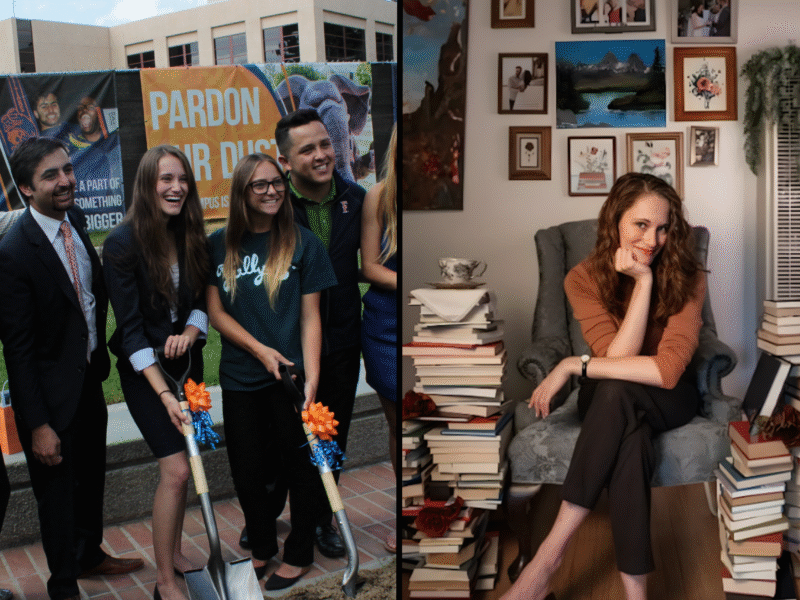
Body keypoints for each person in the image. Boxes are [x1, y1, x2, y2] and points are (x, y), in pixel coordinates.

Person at [500, 173, 706, 600]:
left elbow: (668, 372)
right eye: (641, 225)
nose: (654, 239)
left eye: (663, 227)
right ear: (615, 221)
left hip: (669, 394)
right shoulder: (583, 278)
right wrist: (640, 286)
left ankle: (546, 562)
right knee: (627, 429)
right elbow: (614, 363)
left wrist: (575, 363)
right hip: (611, 387)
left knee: (617, 395)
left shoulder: (689, 276)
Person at [0, 137, 144, 600]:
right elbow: (17, 351)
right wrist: (38, 425)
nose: (66, 181)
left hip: (88, 380)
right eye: (50, 176)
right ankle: (63, 584)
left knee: (90, 479)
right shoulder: (14, 252)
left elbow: (88, 294)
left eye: (67, 169)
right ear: (25, 188)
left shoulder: (75, 220)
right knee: (57, 498)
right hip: (48, 398)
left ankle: (89, 555)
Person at [206, 153, 336, 591]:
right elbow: (215, 313)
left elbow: (311, 317)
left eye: (277, 183)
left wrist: (312, 376)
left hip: (291, 379)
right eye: (259, 185)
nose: (272, 191)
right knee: (247, 470)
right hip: (241, 376)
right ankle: (261, 546)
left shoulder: (303, 244)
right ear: (242, 193)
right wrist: (261, 351)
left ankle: (299, 552)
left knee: (300, 468)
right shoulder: (219, 243)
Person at [102, 145, 209, 600]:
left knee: (191, 460)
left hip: (188, 365)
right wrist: (165, 396)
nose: (176, 187)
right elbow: (129, 331)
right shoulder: (122, 244)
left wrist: (190, 328)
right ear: (147, 185)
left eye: (182, 178)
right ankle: (165, 579)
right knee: (177, 471)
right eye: (166, 179)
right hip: (145, 372)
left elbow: (203, 300)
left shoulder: (191, 232)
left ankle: (177, 556)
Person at [271, 108, 367, 560]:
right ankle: (268, 517)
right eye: (307, 149)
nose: (321, 154)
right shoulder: (272, 207)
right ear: (285, 161)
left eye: (325, 144)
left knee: (333, 433)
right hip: (288, 343)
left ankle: (324, 518)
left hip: (344, 340)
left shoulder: (356, 197)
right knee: (285, 438)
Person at [360, 125, 397, 553]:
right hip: (386, 324)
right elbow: (368, 266)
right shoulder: (378, 196)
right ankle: (402, 512)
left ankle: (437, 509)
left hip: (433, 320)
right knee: (397, 424)